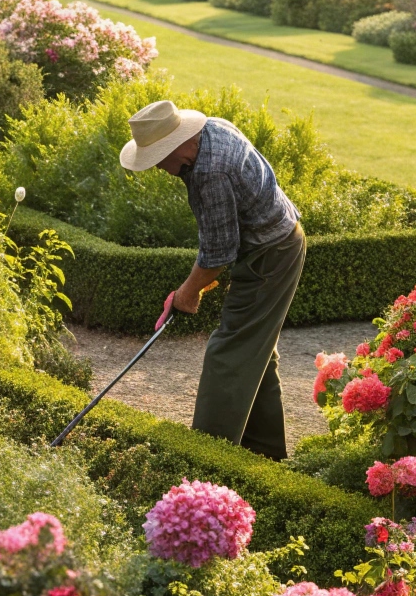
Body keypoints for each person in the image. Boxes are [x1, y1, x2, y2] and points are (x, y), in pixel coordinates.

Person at [119, 98, 305, 459]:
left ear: (179, 145)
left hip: (272, 254)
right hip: (274, 245)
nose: (158, 167)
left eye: (158, 157)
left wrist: (187, 293)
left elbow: (220, 251)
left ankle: (204, 459)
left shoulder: (208, 172)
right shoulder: (212, 129)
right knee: (254, 352)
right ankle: (265, 455)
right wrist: (190, 289)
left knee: (227, 352)